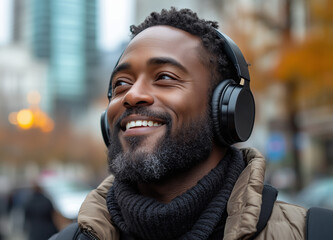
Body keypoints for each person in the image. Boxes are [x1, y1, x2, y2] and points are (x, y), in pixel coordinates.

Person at [51, 7, 307, 240]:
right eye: (121, 84)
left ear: (226, 108)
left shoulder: (315, 232)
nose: (131, 95)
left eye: (164, 77)